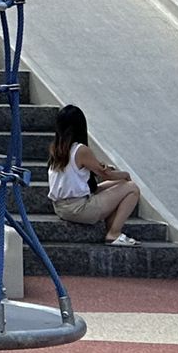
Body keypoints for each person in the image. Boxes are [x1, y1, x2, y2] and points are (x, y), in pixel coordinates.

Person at [47, 104, 142, 246]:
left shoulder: (56, 149)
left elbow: (90, 175)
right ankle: (114, 233)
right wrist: (125, 174)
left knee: (120, 184)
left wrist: (118, 178)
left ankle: (111, 228)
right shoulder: (80, 150)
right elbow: (106, 174)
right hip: (79, 208)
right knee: (132, 188)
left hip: (61, 207)